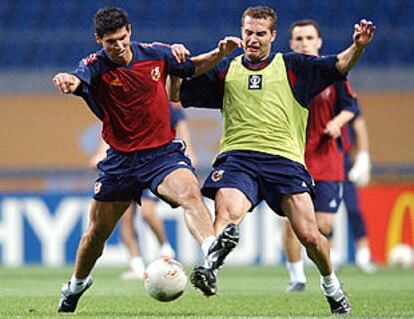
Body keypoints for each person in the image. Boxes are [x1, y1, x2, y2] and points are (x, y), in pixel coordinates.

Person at [178, 6, 375, 314]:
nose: (253, 39)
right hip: (238, 159)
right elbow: (178, 93)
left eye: (260, 34)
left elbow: (339, 65)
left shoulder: (294, 66)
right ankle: (211, 269)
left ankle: (331, 285)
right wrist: (192, 61)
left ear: (272, 35)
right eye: (248, 33)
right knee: (227, 214)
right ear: (241, 32)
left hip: (285, 162)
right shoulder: (227, 70)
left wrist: (359, 46)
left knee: (310, 234)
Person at [52, 7, 242, 313]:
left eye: (122, 38)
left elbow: (190, 67)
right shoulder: (95, 66)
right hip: (120, 161)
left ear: (130, 31)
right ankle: (76, 284)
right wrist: (68, 81)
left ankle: (211, 249)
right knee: (96, 234)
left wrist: (220, 53)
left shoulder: (156, 53)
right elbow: (78, 78)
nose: (118, 45)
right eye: (110, 41)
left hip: (161, 154)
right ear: (99, 39)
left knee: (190, 193)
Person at [281, 19, 359, 293]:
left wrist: (338, 122)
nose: (304, 43)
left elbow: (351, 107)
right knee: (292, 221)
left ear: (319, 41)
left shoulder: (332, 73)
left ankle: (319, 260)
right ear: (291, 44)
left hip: (326, 157)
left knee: (323, 223)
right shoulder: (284, 73)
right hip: (293, 157)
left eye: (309, 38)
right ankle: (297, 277)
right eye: (299, 39)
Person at [90, 102, 197, 280]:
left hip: (155, 162)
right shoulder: (124, 101)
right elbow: (111, 129)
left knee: (147, 211)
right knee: (125, 218)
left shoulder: (169, 104)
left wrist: (190, 152)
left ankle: (165, 249)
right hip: (126, 164)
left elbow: (182, 129)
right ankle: (136, 264)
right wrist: (100, 153)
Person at [342, 115, 377, 273]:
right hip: (320, 161)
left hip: (344, 162)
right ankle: (331, 255)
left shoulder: (344, 95)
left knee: (353, 209)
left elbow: (359, 126)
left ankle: (363, 254)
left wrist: (363, 158)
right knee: (321, 213)